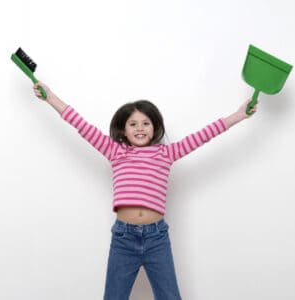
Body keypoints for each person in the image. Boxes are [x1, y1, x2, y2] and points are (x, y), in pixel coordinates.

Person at [33, 81, 257, 299]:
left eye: (145, 123)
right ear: (123, 129)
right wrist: (50, 98)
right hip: (123, 238)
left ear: (155, 127)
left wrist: (238, 115)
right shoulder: (115, 151)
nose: (139, 128)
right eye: (133, 124)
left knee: (170, 296)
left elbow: (204, 135)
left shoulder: (167, 153)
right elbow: (81, 125)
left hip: (157, 238)